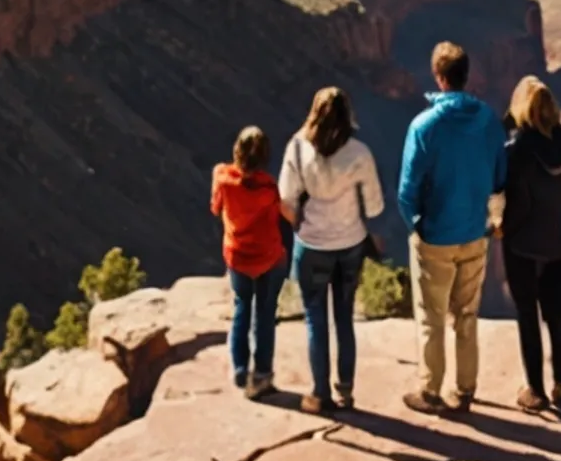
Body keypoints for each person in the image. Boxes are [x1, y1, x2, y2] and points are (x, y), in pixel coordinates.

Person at [396, 40, 505, 414]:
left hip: (435, 238)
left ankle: (430, 392)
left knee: (432, 319)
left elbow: (406, 191)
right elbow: (499, 175)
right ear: (465, 75)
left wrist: (418, 225)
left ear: (439, 78)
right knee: (467, 316)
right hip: (475, 234)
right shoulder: (488, 119)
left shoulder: (424, 126)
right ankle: (466, 390)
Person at [278, 86, 383, 414]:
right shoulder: (359, 153)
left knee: (315, 319)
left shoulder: (297, 149)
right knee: (344, 318)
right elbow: (376, 207)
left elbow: (285, 202)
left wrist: (302, 224)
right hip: (350, 245)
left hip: (311, 246)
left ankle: (320, 393)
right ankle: (346, 392)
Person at [500, 76, 561, 414]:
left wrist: (504, 230)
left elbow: (519, 204)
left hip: (523, 242)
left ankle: (535, 392)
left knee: (528, 314)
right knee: (555, 313)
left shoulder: (515, 151)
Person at [210, 125, 288, 397]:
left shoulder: (221, 177)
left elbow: (215, 207)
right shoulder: (268, 187)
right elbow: (281, 214)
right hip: (268, 257)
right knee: (265, 315)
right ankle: (262, 374)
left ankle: (240, 369)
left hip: (237, 255)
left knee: (242, 307)